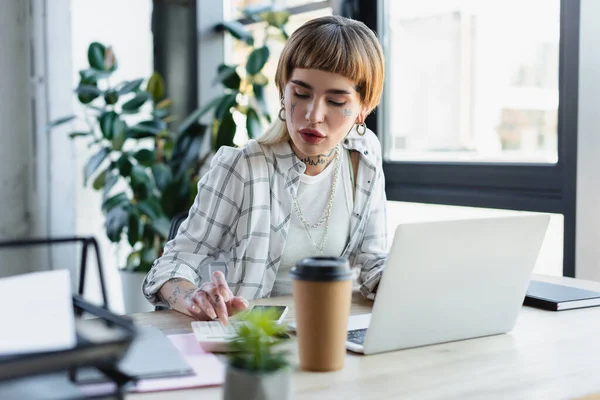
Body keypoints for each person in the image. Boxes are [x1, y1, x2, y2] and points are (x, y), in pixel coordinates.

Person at [142, 15, 387, 324]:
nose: (314, 115)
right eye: (301, 94)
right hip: (257, 341)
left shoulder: (363, 156)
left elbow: (371, 260)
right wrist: (193, 297)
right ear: (283, 91)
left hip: (332, 328)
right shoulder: (244, 168)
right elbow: (172, 264)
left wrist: (407, 280)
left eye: (337, 101)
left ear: (364, 108)